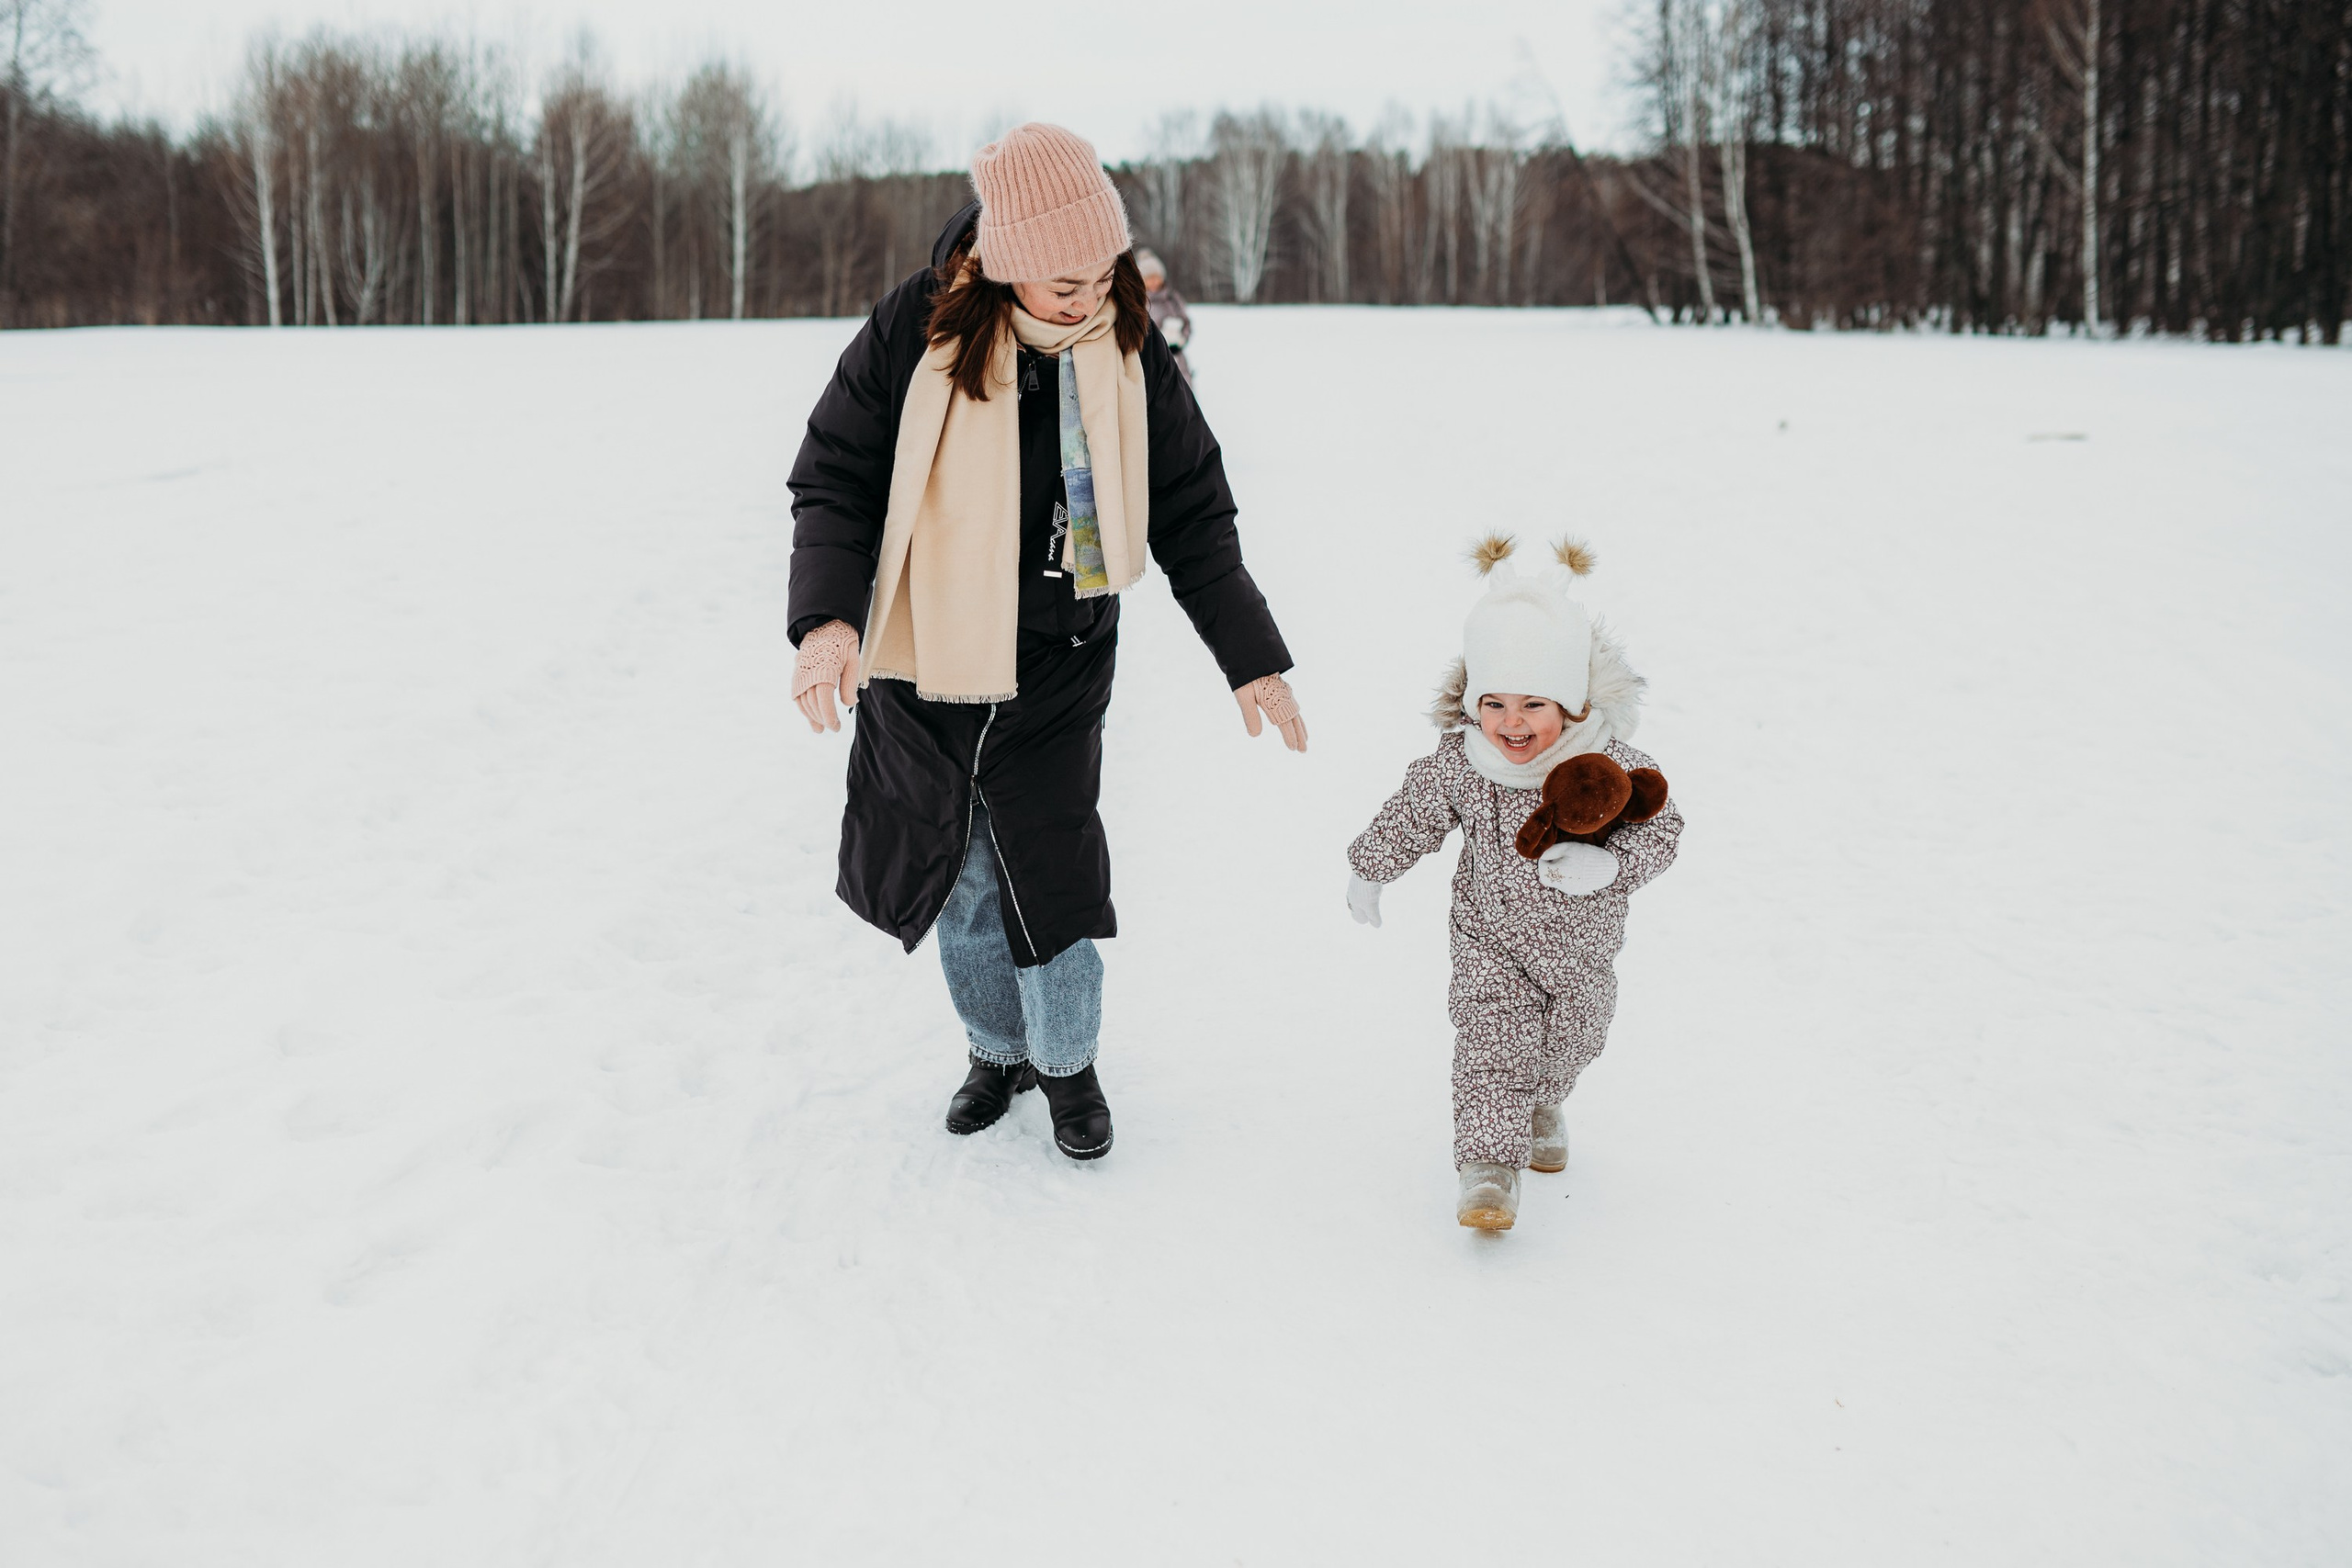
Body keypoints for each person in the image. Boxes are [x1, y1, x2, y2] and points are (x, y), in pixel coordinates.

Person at [786, 123, 1306, 1163]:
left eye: (1102, 273)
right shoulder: (916, 329)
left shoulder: (1125, 347)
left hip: (1056, 665)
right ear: (1008, 260)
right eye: (1061, 278)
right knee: (962, 882)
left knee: (1053, 882)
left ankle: (1067, 1066)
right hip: (923, 664)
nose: (1086, 295)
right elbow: (834, 475)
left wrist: (1252, 655)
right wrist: (827, 623)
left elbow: (1192, 508)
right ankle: (994, 1051)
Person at [1343, 536, 1683, 1230]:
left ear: (1574, 702)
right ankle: (1489, 1170)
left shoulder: (1607, 763)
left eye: (1533, 703)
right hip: (1488, 937)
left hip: (1582, 951)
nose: (1511, 723)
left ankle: (1541, 1101)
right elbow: (1414, 810)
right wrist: (1370, 866)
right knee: (1492, 1044)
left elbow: (1663, 829)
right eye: (1493, 702)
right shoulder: (1463, 761)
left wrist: (1610, 866)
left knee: (1580, 1036)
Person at [1135, 248, 1193, 383]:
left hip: (1177, 357)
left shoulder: (1173, 298)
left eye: (1157, 276)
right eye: (1150, 278)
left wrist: (1181, 340)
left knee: (1183, 393)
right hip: (1153, 360)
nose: (1154, 281)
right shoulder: (1140, 302)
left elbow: (1186, 322)